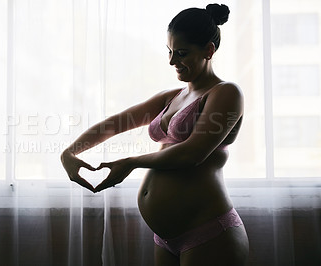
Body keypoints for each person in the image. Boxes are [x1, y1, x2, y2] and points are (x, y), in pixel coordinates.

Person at [61, 3, 249, 266]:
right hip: (166, 238)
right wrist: (69, 152)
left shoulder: (227, 93)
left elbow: (192, 153)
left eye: (181, 53)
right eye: (170, 51)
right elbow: (115, 123)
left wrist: (131, 162)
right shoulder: (173, 96)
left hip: (209, 233)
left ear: (209, 50)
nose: (172, 61)